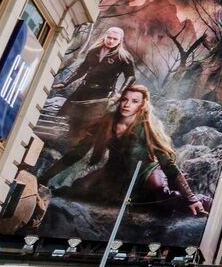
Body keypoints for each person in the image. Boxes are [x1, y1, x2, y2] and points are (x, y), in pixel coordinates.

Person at [44, 84, 207, 217]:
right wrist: (45, 177)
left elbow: (167, 164)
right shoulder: (106, 123)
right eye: (124, 99)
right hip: (114, 173)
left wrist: (191, 198)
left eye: (134, 101)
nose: (127, 104)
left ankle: (200, 204)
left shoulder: (147, 128)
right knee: (78, 189)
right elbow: (77, 153)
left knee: (160, 193)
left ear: (142, 105)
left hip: (145, 172)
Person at [55, 26, 136, 103]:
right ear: (105, 36)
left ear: (120, 40)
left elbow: (131, 76)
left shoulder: (124, 57)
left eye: (115, 39)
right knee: (64, 115)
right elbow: (82, 69)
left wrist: (121, 93)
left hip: (103, 95)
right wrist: (65, 83)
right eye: (109, 37)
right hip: (83, 89)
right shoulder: (93, 51)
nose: (111, 41)